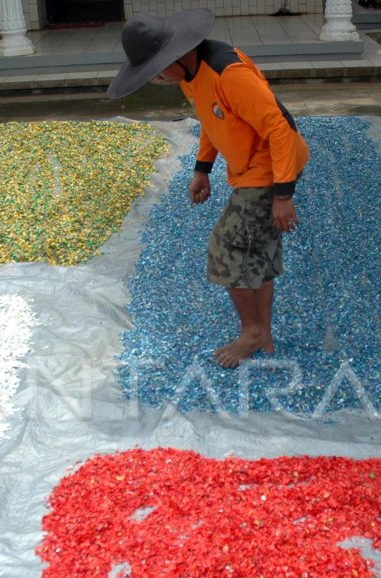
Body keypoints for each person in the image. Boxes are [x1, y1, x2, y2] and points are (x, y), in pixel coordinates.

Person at [107, 9, 310, 368]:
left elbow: (278, 128)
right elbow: (211, 117)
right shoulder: (190, 74)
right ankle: (263, 334)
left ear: (175, 56)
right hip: (250, 167)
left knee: (226, 247)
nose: (158, 79)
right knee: (256, 253)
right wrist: (203, 168)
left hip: (270, 167)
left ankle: (251, 332)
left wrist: (283, 195)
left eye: (157, 71)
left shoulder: (228, 74)